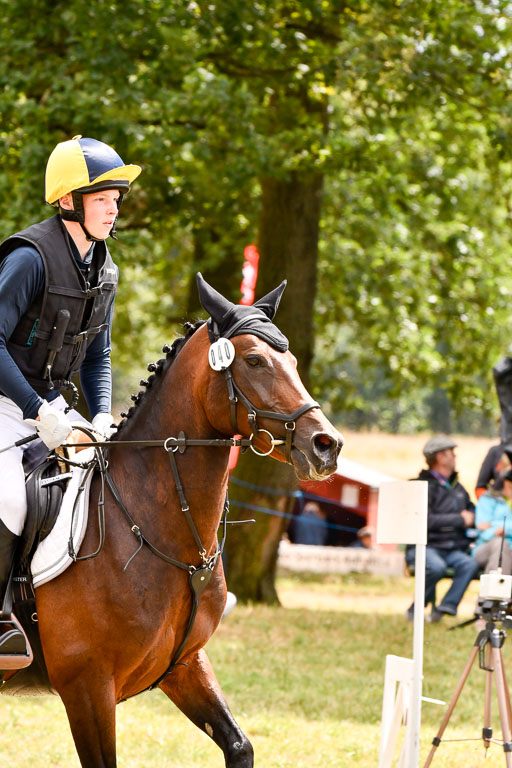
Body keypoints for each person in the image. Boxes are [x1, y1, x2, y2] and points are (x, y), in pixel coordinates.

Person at [0, 135, 141, 655]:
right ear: (68, 201)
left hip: (54, 408)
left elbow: (98, 357)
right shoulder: (30, 258)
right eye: (102, 198)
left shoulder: (105, 270)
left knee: (103, 485)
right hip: (6, 404)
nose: (113, 208)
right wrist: (37, 411)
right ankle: (1, 617)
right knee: (13, 496)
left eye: (117, 199)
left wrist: (102, 415)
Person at [405, 435, 479, 622]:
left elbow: (471, 511)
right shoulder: (422, 487)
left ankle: (445, 608)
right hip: (426, 547)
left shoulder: (458, 488)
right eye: (451, 453)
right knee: (436, 567)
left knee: (469, 565)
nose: (455, 457)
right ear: (439, 457)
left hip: (452, 548)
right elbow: (425, 520)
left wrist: (471, 517)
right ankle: (416, 609)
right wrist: (459, 519)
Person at [473, 468, 512, 574]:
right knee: (501, 545)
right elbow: (483, 532)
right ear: (507, 483)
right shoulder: (487, 500)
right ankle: (493, 589)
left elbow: (487, 525)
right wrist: (494, 531)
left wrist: (495, 525)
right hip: (485, 548)